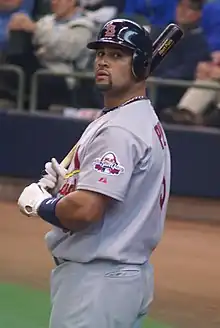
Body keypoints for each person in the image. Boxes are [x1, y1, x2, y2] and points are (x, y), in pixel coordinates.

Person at [17, 19, 171, 328]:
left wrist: (42, 204)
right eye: (100, 53)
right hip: (122, 278)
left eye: (117, 55)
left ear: (141, 64)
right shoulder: (135, 117)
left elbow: (85, 211)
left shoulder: (119, 130)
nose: (102, 61)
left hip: (98, 284)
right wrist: (69, 185)